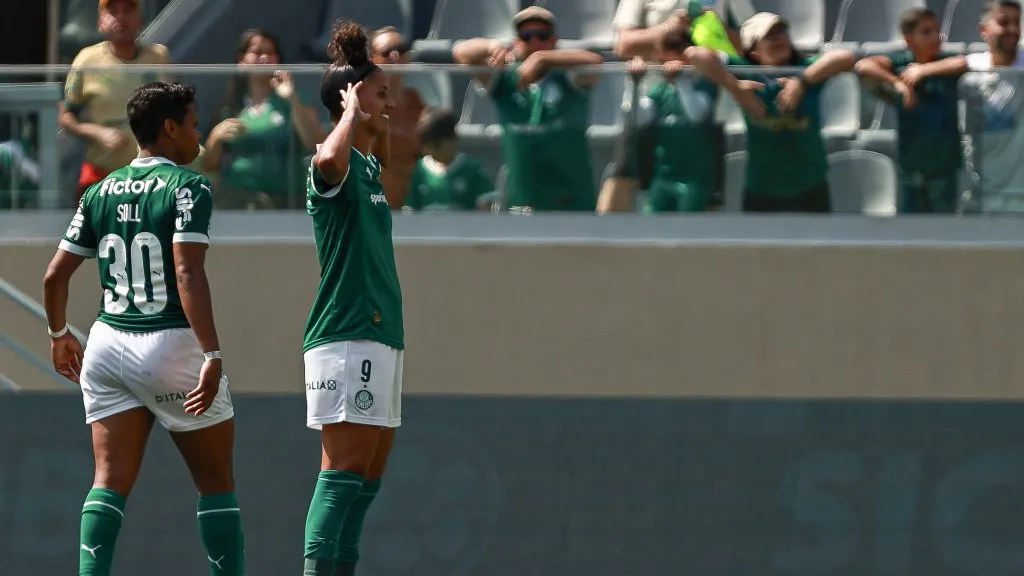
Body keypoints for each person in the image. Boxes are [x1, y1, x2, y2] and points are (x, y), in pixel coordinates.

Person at [42, 82, 244, 575]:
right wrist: (213, 356)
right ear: (170, 128)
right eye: (194, 123)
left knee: (108, 481)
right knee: (216, 484)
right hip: (170, 344)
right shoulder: (189, 186)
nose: (198, 133)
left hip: (106, 345)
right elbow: (186, 271)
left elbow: (54, 276)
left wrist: (58, 334)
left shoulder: (99, 190)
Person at [300, 19, 402, 576]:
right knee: (340, 477)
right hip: (347, 333)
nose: (390, 102)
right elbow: (326, 165)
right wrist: (347, 113)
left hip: (380, 332)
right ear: (351, 96)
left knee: (366, 482)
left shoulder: (368, 166)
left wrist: (367, 117)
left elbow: (366, 157)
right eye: (379, 93)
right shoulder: (330, 159)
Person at [453, 6, 604, 212]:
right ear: (517, 43)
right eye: (526, 36)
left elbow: (596, 63)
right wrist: (491, 46)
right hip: (523, 205)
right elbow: (460, 52)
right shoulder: (505, 81)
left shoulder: (569, 78)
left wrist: (542, 59)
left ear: (553, 41)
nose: (534, 42)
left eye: (542, 36)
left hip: (573, 202)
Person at [599, 0, 743, 212]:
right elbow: (623, 44)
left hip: (706, 108)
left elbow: (742, 46)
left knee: (704, 201)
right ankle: (603, 242)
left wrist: (713, 27)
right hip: (650, 102)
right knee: (622, 180)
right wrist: (669, 29)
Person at [726, 12, 856, 212]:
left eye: (781, 32)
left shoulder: (807, 70)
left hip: (810, 189)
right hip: (762, 192)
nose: (779, 38)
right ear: (754, 52)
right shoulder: (745, 73)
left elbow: (845, 57)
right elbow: (697, 55)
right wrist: (734, 87)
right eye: (770, 36)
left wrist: (801, 82)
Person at [855, 8, 967, 213]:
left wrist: (924, 70)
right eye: (926, 32)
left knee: (944, 237)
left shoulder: (945, 62)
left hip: (944, 172)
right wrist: (897, 84)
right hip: (910, 172)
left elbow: (963, 62)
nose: (935, 37)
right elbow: (863, 66)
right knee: (910, 237)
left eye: (936, 31)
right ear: (908, 39)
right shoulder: (900, 63)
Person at [61, 0, 171, 202]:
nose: (121, 17)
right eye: (113, 11)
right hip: (102, 176)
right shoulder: (86, 60)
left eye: (129, 10)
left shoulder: (159, 56)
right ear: (100, 22)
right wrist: (98, 133)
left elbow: (174, 109)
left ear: (140, 19)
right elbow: (65, 116)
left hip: (150, 176)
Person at [204, 29, 327, 210]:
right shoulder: (231, 106)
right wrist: (215, 137)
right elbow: (210, 165)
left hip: (286, 201)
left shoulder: (290, 100)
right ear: (241, 61)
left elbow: (315, 143)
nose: (264, 58)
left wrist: (292, 98)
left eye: (270, 53)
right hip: (238, 201)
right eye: (257, 52)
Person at [960, 0, 1024, 211]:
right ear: (984, 30)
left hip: (1019, 194)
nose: (1013, 29)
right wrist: (922, 71)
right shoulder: (971, 71)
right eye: (1004, 22)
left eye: (1017, 22)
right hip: (982, 193)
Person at [370, 26, 426, 209]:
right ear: (372, 59)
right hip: (375, 205)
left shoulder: (416, 102)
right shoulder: (363, 103)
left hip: (412, 205)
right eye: (386, 52)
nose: (395, 56)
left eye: (401, 50)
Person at [404, 107, 496, 212]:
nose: (430, 151)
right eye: (426, 146)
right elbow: (410, 212)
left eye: (436, 145)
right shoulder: (420, 171)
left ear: (454, 140)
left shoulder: (473, 170)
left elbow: (486, 210)